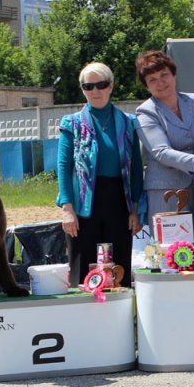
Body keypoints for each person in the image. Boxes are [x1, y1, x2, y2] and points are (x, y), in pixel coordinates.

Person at [57, 62, 143, 287]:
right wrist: (67, 209)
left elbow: (136, 168)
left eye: (101, 85)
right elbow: (64, 166)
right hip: (83, 203)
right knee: (82, 266)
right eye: (88, 86)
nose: (95, 91)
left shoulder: (129, 122)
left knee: (118, 266)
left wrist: (135, 209)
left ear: (111, 86)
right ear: (82, 89)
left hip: (118, 200)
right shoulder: (71, 123)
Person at [134, 50, 194, 235]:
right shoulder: (145, 112)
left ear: (174, 74)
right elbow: (161, 152)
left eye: (164, 75)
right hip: (166, 192)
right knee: (174, 252)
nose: (161, 82)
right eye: (152, 80)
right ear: (146, 86)